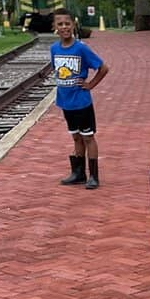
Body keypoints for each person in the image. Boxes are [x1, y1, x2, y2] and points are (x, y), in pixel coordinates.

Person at [50, 10, 110, 189]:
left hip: (81, 102)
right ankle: (78, 172)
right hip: (65, 102)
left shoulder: (81, 48)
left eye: (67, 24)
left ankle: (93, 176)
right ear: (55, 28)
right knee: (76, 137)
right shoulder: (54, 49)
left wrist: (90, 84)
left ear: (73, 25)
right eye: (60, 24)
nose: (64, 27)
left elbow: (103, 68)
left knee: (88, 137)